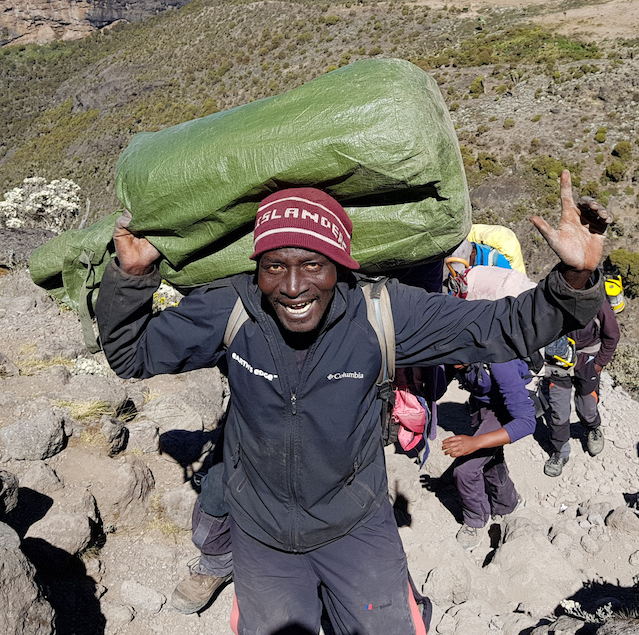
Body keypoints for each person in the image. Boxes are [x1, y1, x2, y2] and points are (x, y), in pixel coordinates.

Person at [95, 170, 609, 635]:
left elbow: (502, 327)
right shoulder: (233, 311)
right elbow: (130, 353)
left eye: (312, 265)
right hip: (262, 536)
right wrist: (133, 275)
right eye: (274, 266)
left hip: (356, 527)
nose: (293, 287)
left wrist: (574, 279)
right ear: (257, 268)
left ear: (340, 265)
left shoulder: (382, 314)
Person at [442, 359, 535, 550]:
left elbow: (527, 423)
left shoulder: (499, 361)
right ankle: (508, 503)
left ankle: (475, 521)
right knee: (491, 455)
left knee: (465, 470)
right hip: (482, 401)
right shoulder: (453, 356)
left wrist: (475, 442)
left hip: (506, 405)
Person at [543, 299, 620, 477]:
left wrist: (599, 363)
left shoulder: (596, 299)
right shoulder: (550, 294)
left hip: (588, 355)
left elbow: (612, 334)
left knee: (587, 404)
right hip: (557, 355)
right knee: (558, 408)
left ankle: (593, 427)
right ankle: (560, 451)